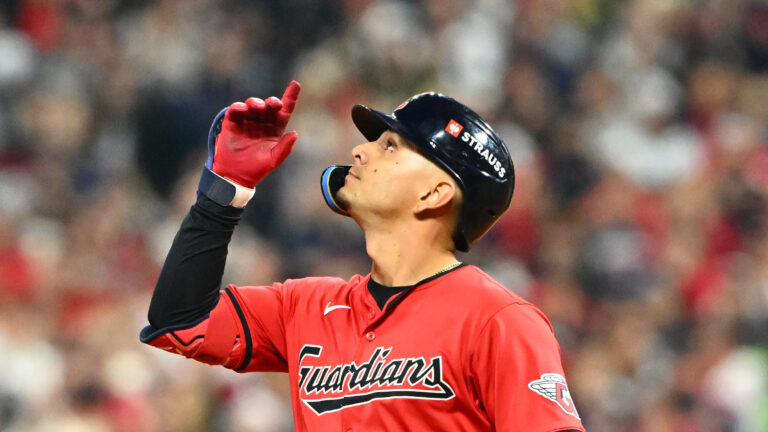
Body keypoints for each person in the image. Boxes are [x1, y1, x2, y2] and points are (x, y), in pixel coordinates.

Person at [141, 80, 585, 431]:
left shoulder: (498, 321)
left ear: (434, 193)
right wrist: (224, 192)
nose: (360, 149)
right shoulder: (306, 307)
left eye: (390, 146)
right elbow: (180, 322)